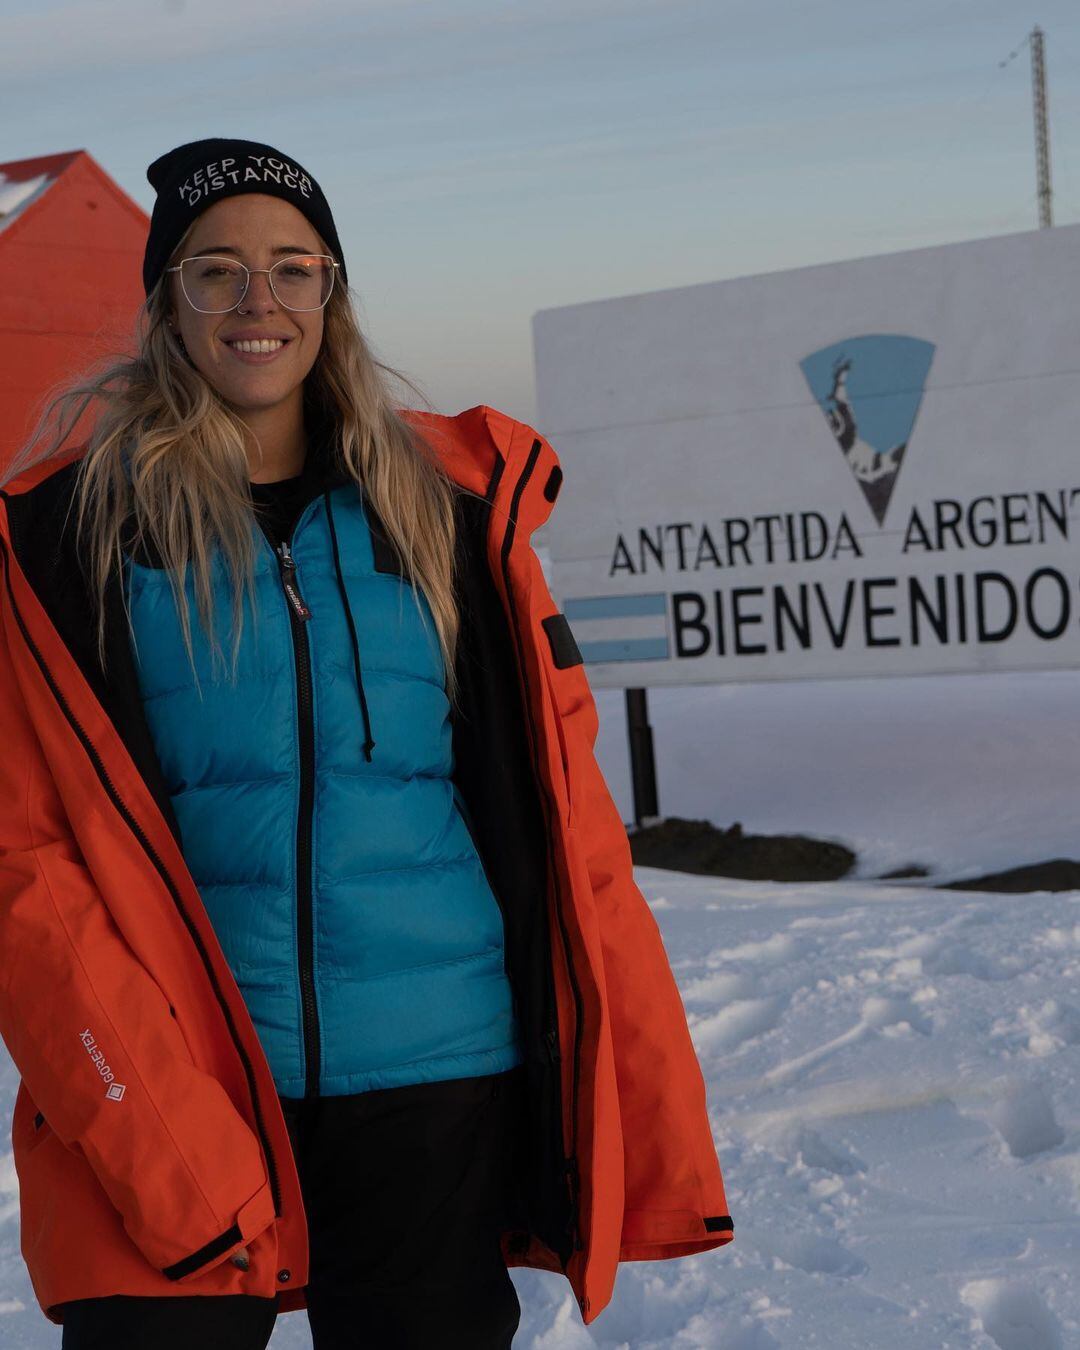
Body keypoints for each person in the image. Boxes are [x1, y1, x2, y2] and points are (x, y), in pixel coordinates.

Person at [0, 138, 734, 1350]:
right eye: (215, 270)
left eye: (295, 268)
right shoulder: (73, 540)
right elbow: (27, 865)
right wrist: (140, 1108)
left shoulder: (443, 513)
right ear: (162, 298)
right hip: (183, 1073)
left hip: (432, 1078)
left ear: (332, 295)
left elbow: (565, 823)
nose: (259, 303)